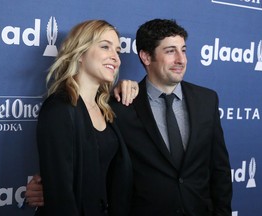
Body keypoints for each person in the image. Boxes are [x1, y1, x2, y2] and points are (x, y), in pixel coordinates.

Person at [26, 18, 233, 216]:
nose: (181, 59)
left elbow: (219, 169)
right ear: (145, 57)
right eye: (171, 51)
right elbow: (68, 179)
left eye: (117, 50)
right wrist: (47, 186)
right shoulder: (118, 107)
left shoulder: (105, 108)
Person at [32, 19, 135, 216]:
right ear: (80, 53)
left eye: (118, 51)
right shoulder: (59, 108)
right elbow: (60, 196)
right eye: (105, 47)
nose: (116, 58)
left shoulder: (107, 109)